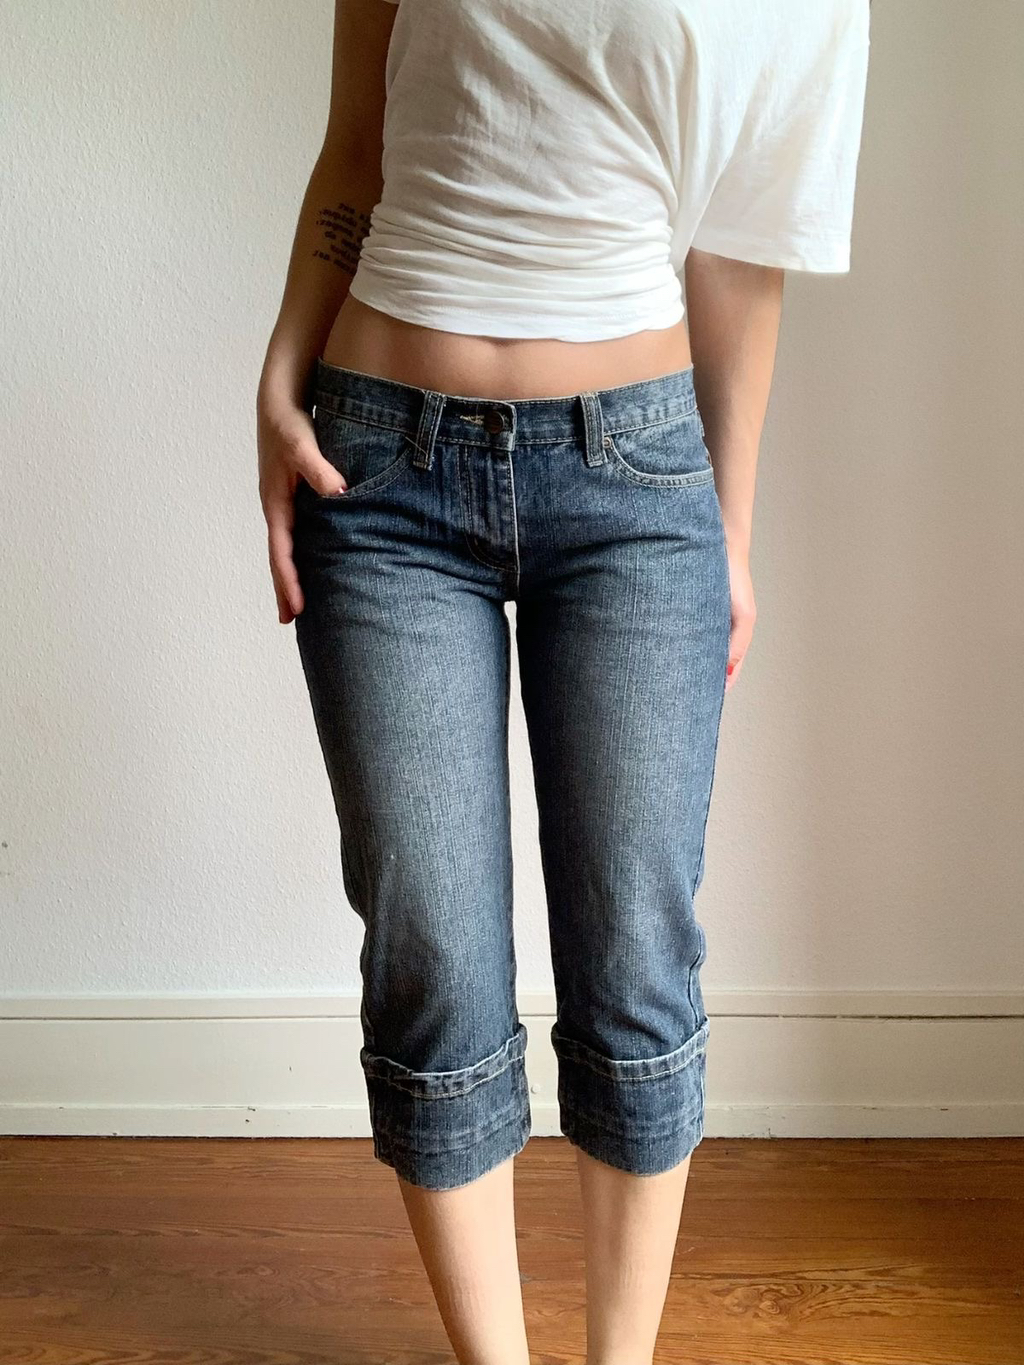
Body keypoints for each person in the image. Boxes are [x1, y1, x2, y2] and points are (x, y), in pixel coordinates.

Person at [255, 2, 871, 1361]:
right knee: (428, 952)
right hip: (381, 468)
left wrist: (730, 533)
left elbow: (739, 252)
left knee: (637, 950)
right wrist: (280, 375)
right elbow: (356, 144)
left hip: (637, 486)